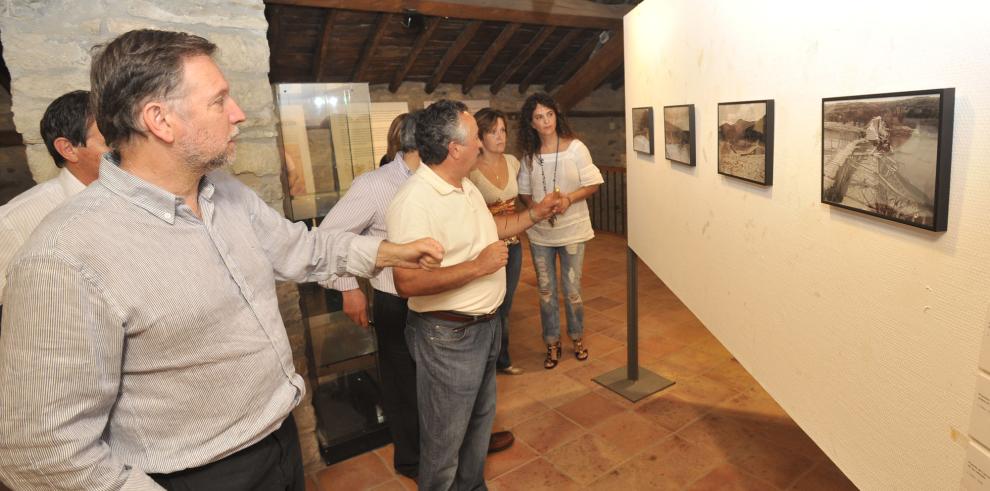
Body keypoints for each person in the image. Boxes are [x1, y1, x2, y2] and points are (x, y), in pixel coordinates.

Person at [0, 29, 442, 491]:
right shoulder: (65, 256)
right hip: (199, 476)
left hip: (280, 445)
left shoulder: (227, 193)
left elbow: (302, 250)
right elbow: (43, 453)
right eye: (219, 101)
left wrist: (390, 251)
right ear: (160, 120)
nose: (239, 114)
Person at [319, 112, 515, 479]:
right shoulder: (377, 185)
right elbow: (328, 239)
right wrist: (348, 288)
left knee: (443, 399)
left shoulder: (452, 181)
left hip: (438, 299)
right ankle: (416, 461)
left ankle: (456, 461)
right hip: (396, 299)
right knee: (408, 391)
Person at [387, 100, 559, 490]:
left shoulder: (463, 186)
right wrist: (478, 268)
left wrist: (537, 213)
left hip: (485, 327)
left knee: (479, 425)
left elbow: (493, 230)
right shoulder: (415, 201)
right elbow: (406, 283)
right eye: (475, 138)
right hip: (448, 336)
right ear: (454, 149)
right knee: (444, 441)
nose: (482, 145)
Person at [0, 90, 109, 323]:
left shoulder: (142, 198)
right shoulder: (14, 222)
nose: (128, 149)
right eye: (110, 140)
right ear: (68, 149)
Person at [517, 92, 603, 370]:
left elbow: (593, 184)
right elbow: (525, 193)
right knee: (545, 291)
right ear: (531, 123)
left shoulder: (575, 148)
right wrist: (538, 208)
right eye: (539, 117)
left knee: (572, 289)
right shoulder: (529, 156)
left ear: (557, 115)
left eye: (549, 114)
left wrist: (568, 199)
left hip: (573, 231)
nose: (546, 121)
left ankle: (577, 337)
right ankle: (551, 343)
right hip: (541, 234)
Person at [468, 108, 524, 376]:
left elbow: (524, 197)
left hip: (513, 244)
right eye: (493, 132)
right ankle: (484, 359)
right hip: (486, 246)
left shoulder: (513, 162)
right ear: (480, 136)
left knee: (506, 303)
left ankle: (503, 358)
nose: (500, 137)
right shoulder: (470, 169)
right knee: (488, 302)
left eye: (503, 131)